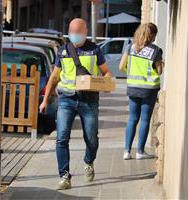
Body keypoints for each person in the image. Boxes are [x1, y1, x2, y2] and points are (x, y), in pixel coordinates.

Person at [39, 18, 112, 190]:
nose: (74, 35)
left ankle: (88, 161)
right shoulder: (63, 51)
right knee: (61, 138)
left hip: (89, 100)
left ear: (85, 32)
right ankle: (64, 176)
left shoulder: (94, 50)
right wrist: (45, 100)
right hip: (66, 100)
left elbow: (106, 71)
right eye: (72, 31)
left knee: (92, 139)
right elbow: (54, 78)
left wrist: (106, 80)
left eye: (78, 32)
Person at [119, 23, 164, 160]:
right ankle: (140, 151)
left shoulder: (130, 47)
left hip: (133, 88)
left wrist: (132, 74)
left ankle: (127, 151)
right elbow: (159, 71)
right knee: (144, 119)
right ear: (153, 35)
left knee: (132, 118)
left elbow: (121, 67)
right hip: (149, 90)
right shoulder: (156, 51)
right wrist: (161, 63)